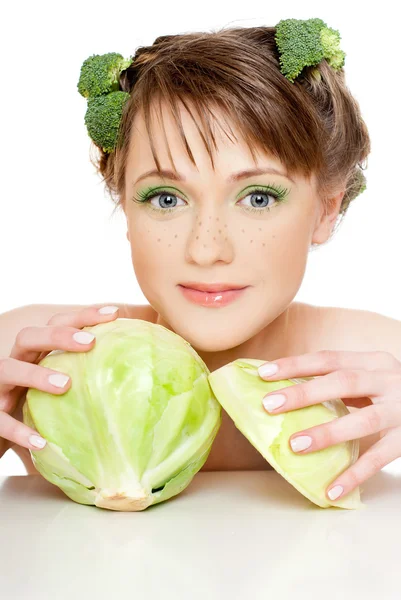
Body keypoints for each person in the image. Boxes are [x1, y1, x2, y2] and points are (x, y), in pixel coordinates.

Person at [1, 18, 400, 504]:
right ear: (125, 206)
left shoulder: (382, 363)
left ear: (325, 208)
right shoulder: (32, 361)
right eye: (166, 198)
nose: (207, 250)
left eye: (258, 197)